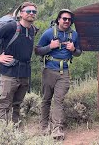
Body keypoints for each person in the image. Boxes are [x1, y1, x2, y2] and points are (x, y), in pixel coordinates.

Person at [0, 1, 38, 124]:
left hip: (24, 74)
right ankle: (3, 133)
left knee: (17, 105)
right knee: (4, 104)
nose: (31, 13)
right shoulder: (11, 27)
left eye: (34, 12)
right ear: (21, 13)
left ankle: (15, 130)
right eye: (28, 11)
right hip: (9, 73)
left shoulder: (32, 30)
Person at [35, 9, 82, 139]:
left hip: (64, 72)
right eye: (64, 19)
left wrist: (73, 50)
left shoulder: (74, 35)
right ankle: (44, 127)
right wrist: (50, 47)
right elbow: (37, 51)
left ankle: (57, 129)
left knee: (59, 100)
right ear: (58, 19)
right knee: (46, 99)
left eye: (69, 19)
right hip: (48, 71)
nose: (67, 21)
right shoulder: (49, 33)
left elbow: (79, 52)